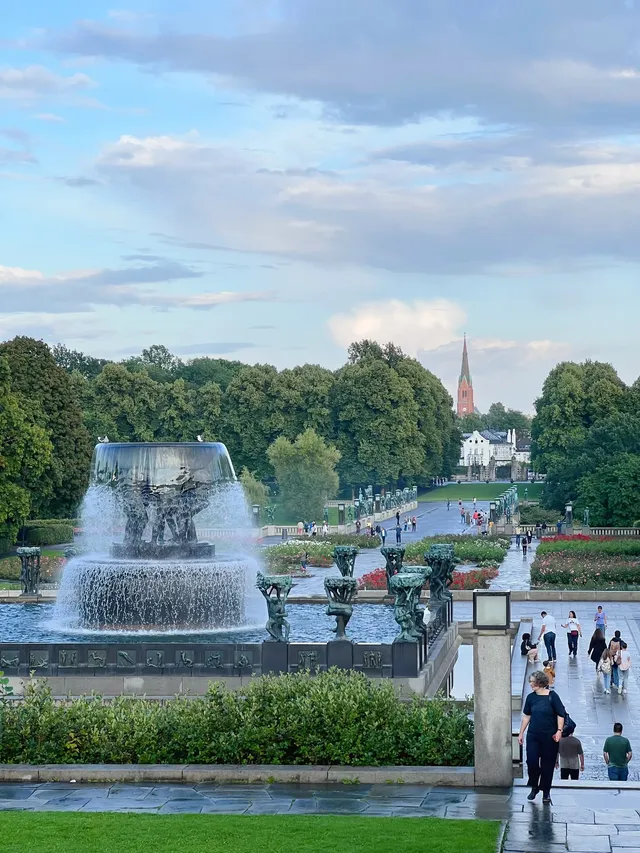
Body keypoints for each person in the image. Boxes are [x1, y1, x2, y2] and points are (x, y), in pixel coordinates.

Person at [518, 670, 566, 804]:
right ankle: (534, 786)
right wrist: (521, 732)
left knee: (547, 765)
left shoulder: (553, 696)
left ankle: (546, 791)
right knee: (532, 762)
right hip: (533, 735)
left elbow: (560, 714)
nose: (531, 685)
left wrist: (559, 731)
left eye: (532, 682)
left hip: (550, 737)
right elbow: (527, 716)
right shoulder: (531, 698)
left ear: (540, 682)